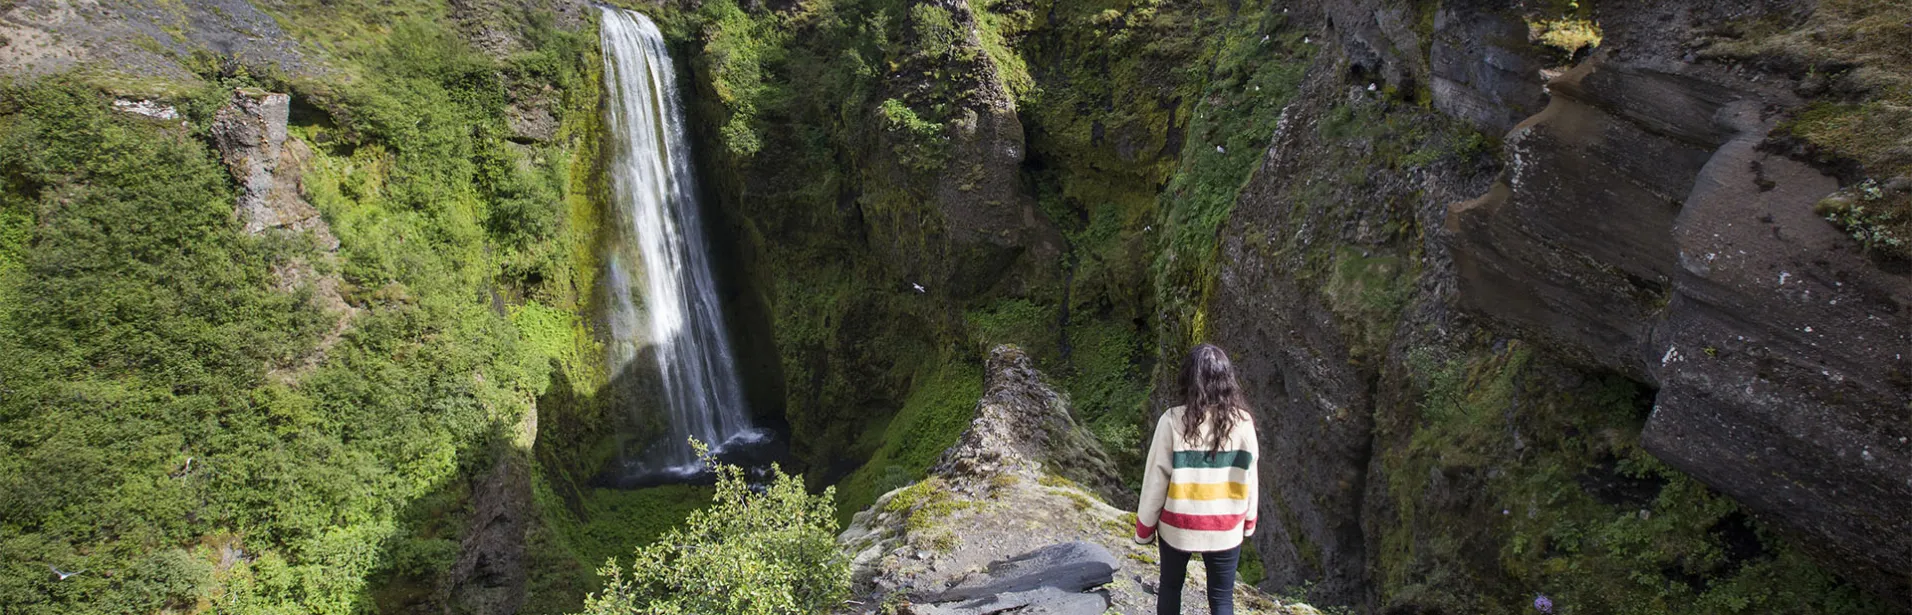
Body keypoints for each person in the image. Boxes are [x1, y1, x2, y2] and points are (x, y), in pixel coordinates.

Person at [1134, 343, 1259, 615]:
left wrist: (1144, 528)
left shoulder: (1171, 421)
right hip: (1226, 527)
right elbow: (1250, 476)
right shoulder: (1244, 423)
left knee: (1170, 587)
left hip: (1179, 526)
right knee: (1222, 598)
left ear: (1188, 378)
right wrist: (1248, 521)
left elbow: (1156, 480)